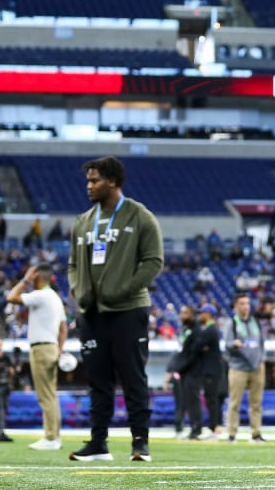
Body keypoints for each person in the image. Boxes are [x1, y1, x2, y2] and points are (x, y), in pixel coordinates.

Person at [67, 156, 163, 463]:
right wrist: (79, 292)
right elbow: (72, 264)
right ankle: (98, 443)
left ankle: (140, 443)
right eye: (88, 181)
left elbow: (153, 261)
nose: (89, 186)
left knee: (133, 377)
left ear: (113, 182)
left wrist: (123, 290)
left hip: (128, 311)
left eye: (95, 181)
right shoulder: (83, 221)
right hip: (92, 313)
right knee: (97, 380)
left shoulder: (139, 216)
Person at [5, 263, 66, 450]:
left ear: (38, 275)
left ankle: (50, 438)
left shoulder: (41, 295)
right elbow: (63, 328)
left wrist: (25, 280)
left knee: (45, 395)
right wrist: (59, 350)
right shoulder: (55, 297)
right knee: (51, 395)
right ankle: (54, 437)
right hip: (52, 347)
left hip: (41, 348)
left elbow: (11, 297)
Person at [223, 294, 266, 443]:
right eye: (242, 303)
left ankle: (256, 433)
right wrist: (234, 344)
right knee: (235, 402)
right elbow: (226, 345)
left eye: (247, 303)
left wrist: (261, 359)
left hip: (257, 367)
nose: (245, 306)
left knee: (256, 402)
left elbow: (261, 342)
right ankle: (232, 433)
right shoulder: (232, 323)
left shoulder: (255, 322)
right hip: (238, 367)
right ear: (236, 306)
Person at [164, 305, 201, 440]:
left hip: (192, 371)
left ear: (192, 315)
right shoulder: (184, 330)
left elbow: (193, 354)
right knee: (184, 402)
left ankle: (196, 430)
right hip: (183, 371)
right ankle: (189, 429)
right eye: (181, 313)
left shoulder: (196, 330)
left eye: (185, 313)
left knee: (193, 401)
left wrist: (180, 368)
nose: (181, 316)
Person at [191, 304, 225, 440]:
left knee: (212, 399)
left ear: (208, 314)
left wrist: (200, 346)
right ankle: (214, 427)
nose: (200, 316)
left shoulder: (210, 330)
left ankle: (214, 428)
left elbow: (196, 345)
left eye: (202, 313)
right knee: (212, 399)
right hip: (212, 369)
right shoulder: (212, 329)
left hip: (211, 370)